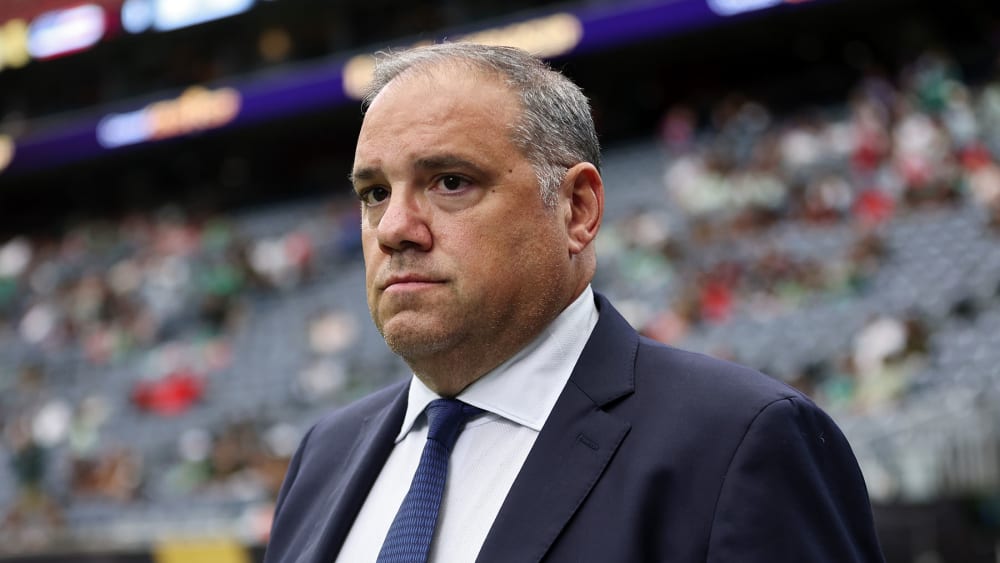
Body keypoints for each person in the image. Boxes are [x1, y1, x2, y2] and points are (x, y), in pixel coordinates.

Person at [264, 43, 885, 563]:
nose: (394, 227)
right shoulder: (324, 455)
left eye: (450, 182)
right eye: (374, 192)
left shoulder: (740, 443)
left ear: (577, 210)